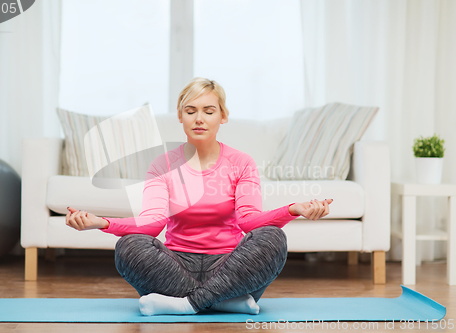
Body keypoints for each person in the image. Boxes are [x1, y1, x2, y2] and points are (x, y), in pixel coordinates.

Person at [66, 77, 333, 316]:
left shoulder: (241, 162)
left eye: (209, 111)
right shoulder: (162, 164)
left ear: (223, 116)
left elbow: (249, 221)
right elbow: (152, 224)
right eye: (190, 111)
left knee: (273, 237)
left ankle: (186, 305)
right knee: (128, 245)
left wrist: (293, 209)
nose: (199, 118)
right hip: (175, 266)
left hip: (231, 267)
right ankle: (224, 302)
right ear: (180, 117)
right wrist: (102, 223)